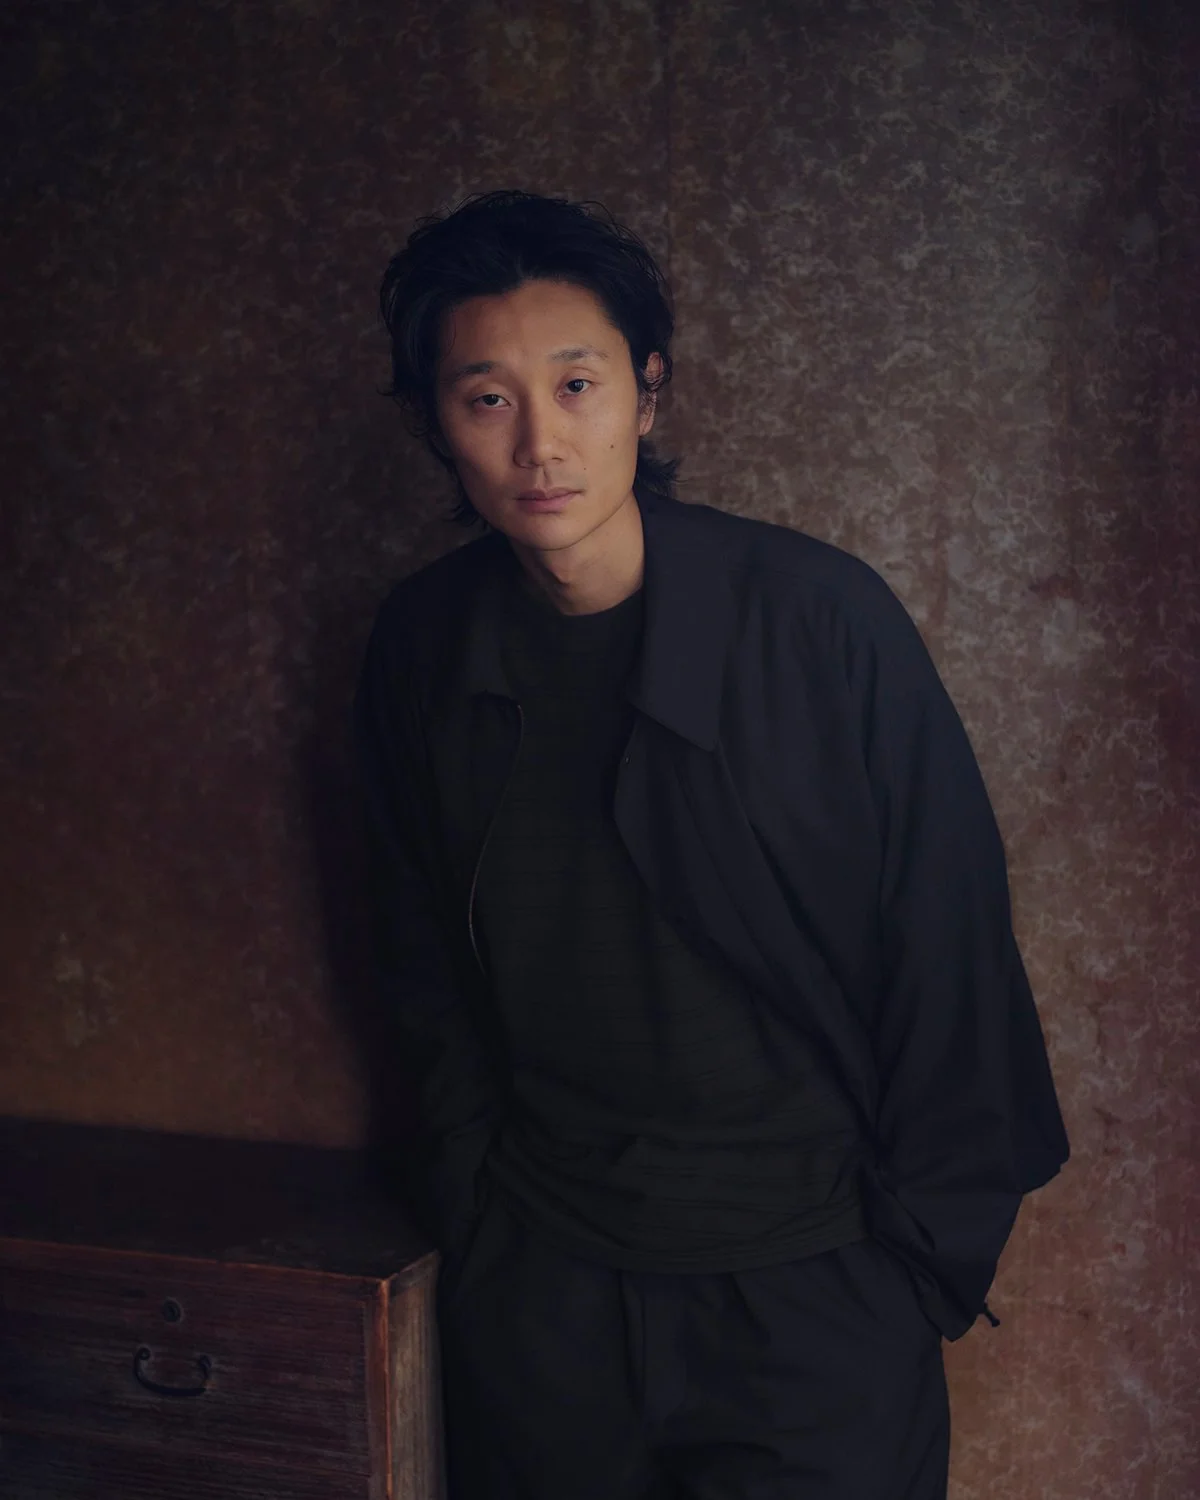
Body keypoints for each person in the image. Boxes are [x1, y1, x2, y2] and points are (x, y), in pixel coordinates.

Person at [354, 189, 1069, 1500]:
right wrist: (482, 1218)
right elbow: (413, 955)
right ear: (436, 424)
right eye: (488, 398)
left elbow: (952, 948)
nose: (540, 444)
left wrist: (907, 1266)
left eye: (578, 385)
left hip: (814, 1294)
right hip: (550, 1294)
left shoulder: (820, 621)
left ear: (648, 392)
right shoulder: (421, 645)